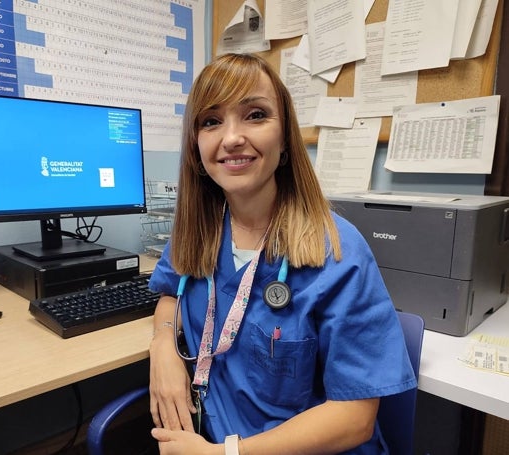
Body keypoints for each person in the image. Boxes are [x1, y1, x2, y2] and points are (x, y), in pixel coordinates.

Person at [148, 53, 416, 454]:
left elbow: (355, 418)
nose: (232, 137)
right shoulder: (198, 230)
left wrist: (224, 454)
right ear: (196, 147)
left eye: (255, 115)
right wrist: (163, 347)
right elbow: (171, 292)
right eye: (211, 121)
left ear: (286, 139)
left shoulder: (338, 253)